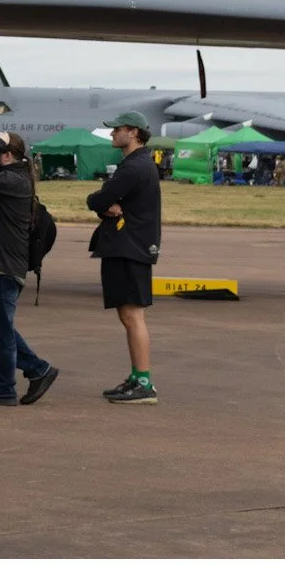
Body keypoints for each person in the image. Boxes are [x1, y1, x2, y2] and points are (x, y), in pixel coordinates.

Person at [0, 131, 58, 407]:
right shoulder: (13, 183)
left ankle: (25, 377)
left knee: (0, 331)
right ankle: (4, 383)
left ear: (7, 156)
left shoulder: (14, 180)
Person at [88, 111, 163, 405]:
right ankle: (137, 377)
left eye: (116, 129)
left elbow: (97, 199)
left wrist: (103, 203)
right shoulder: (138, 164)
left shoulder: (134, 167)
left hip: (129, 246)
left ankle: (143, 382)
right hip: (134, 245)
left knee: (132, 316)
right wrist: (106, 204)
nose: (111, 134)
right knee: (130, 315)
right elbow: (106, 201)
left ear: (133, 132)